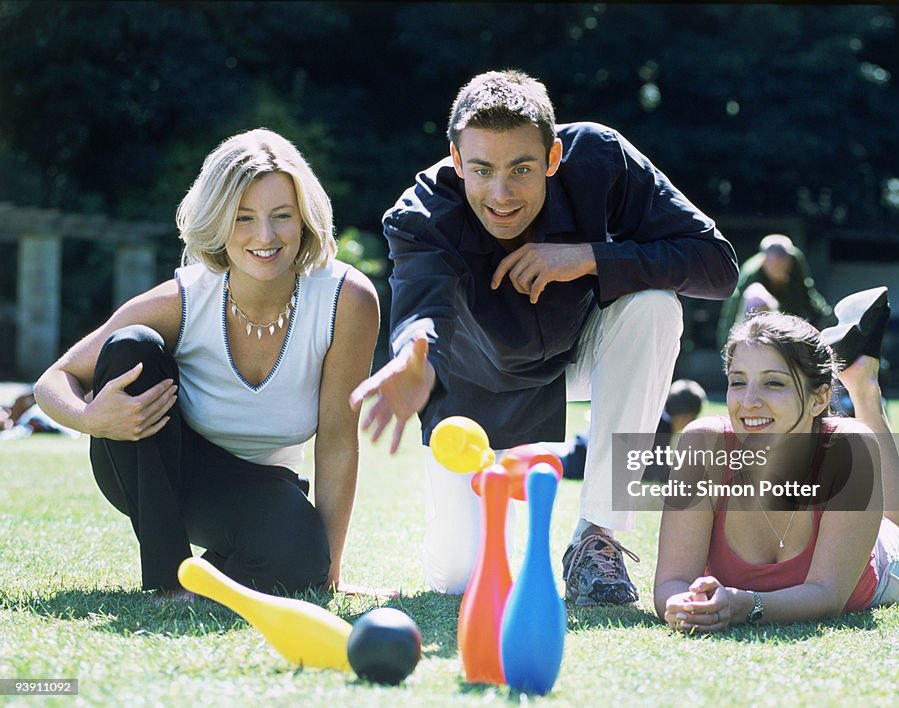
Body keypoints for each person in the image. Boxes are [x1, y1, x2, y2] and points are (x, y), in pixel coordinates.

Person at [349, 70, 738, 606]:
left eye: (522, 169)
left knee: (653, 307)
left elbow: (717, 266)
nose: (501, 194)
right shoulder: (421, 215)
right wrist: (416, 358)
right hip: (474, 385)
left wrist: (588, 258)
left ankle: (597, 535)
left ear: (554, 158)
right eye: (481, 170)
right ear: (458, 162)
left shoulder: (600, 159)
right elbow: (422, 304)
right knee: (461, 581)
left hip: (576, 354)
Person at [33, 129, 380, 598]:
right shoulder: (185, 297)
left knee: (300, 561)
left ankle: (216, 574)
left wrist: (329, 572)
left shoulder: (347, 300)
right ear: (217, 221)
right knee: (129, 346)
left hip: (259, 487)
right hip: (155, 468)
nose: (265, 236)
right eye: (243, 218)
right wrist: (90, 417)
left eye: (282, 216)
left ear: (305, 221)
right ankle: (168, 580)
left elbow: (339, 441)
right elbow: (52, 381)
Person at [654, 311, 899, 631]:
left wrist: (745, 604)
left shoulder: (851, 446)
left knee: (898, 533)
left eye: (773, 383)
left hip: (885, 562)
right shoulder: (702, 444)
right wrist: (680, 603)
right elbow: (672, 581)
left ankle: (865, 390)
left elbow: (829, 594)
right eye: (738, 382)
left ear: (819, 399)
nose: (749, 401)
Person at [560, 378, 708, 482]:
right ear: (687, 417)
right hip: (582, 462)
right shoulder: (659, 427)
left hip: (584, 451)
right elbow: (656, 472)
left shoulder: (655, 416)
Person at [716, 234, 831, 348]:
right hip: (760, 317)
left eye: (785, 266)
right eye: (776, 267)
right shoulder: (750, 275)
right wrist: (727, 345)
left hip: (789, 310)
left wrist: (824, 319)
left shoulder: (796, 261)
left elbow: (807, 295)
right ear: (764, 262)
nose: (782, 273)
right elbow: (732, 312)